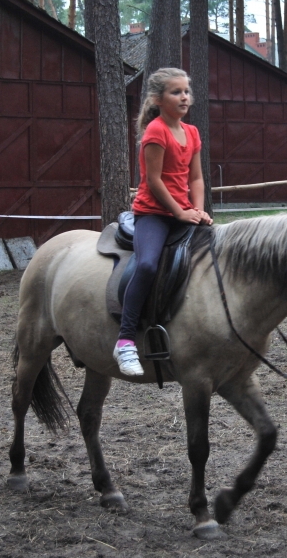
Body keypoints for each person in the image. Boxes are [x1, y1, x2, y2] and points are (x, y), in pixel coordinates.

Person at [115, 68, 213, 376]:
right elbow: (153, 181)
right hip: (154, 214)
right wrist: (180, 213)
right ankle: (125, 340)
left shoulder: (192, 132)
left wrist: (198, 211)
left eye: (186, 91)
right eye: (176, 92)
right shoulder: (156, 132)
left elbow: (196, 178)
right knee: (147, 265)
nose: (184, 97)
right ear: (158, 99)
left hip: (184, 211)